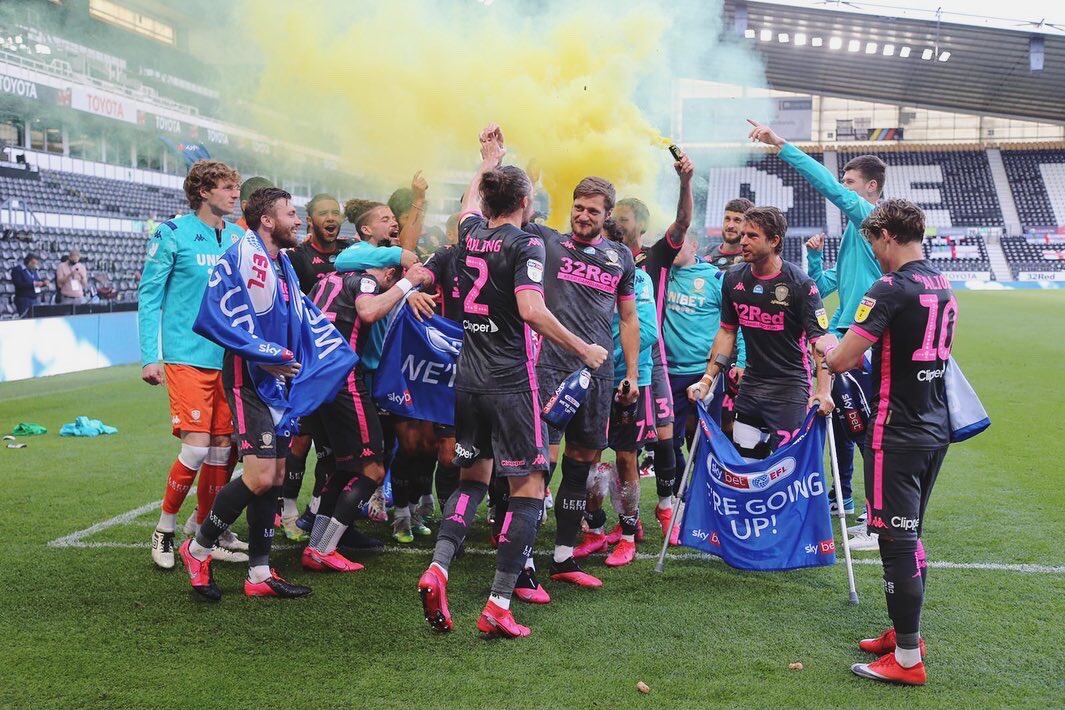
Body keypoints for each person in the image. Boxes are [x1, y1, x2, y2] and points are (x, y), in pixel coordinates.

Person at [417, 125, 607, 639]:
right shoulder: (526, 245)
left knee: (473, 480)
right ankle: (499, 601)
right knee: (529, 487)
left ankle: (438, 567)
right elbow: (531, 309)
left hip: (468, 379)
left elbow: (467, 201)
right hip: (512, 383)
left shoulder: (469, 233)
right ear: (526, 201)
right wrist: (583, 348)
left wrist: (489, 157)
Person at [817, 199, 955, 686]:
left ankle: (908, 660)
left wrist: (823, 343)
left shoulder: (890, 288)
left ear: (888, 236)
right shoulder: (941, 281)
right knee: (909, 533)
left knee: (896, 540)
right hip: (936, 427)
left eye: (873, 242)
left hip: (896, 431)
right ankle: (902, 633)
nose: (873, 252)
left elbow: (845, 359)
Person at [180, 187, 332, 600]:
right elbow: (215, 317)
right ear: (267, 220)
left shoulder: (281, 262)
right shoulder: (240, 258)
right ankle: (196, 549)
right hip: (249, 377)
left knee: (277, 477)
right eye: (290, 213)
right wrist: (266, 354)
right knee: (260, 475)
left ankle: (260, 573)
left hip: (280, 377)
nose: (297, 220)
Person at [747, 118, 884, 544]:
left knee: (863, 427)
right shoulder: (857, 236)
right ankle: (842, 500)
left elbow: (831, 190)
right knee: (842, 424)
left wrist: (782, 146)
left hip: (862, 337)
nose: (844, 187)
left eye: (851, 181)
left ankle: (877, 520)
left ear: (872, 188)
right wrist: (816, 264)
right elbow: (825, 288)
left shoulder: (872, 218)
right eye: (844, 180)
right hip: (844, 333)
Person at [522, 175, 640, 583]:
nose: (583, 216)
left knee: (581, 463)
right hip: (548, 368)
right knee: (537, 466)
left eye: (593, 210)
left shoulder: (621, 257)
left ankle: (563, 558)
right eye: (578, 207)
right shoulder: (545, 241)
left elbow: (628, 318)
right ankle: (522, 562)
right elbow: (501, 215)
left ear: (607, 216)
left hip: (599, 375)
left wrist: (632, 373)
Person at [139, 160, 247, 570]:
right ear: (203, 192)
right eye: (226, 187)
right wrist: (151, 356)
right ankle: (164, 530)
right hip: (186, 357)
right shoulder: (172, 233)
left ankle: (206, 530)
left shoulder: (237, 237)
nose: (235, 194)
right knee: (198, 447)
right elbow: (149, 297)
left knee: (223, 449)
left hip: (228, 359)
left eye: (236, 187)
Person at [301, 253, 434, 571]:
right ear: (389, 273)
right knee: (372, 469)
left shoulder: (326, 281)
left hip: (315, 380)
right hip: (345, 382)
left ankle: (317, 546)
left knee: (338, 468)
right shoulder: (366, 281)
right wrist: (409, 283)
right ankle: (325, 548)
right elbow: (370, 310)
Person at [687, 206, 835, 457]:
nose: (743, 241)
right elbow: (726, 332)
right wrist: (707, 379)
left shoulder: (801, 284)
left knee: (788, 469)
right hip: (752, 388)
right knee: (746, 466)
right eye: (743, 235)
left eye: (752, 236)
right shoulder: (734, 279)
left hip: (790, 389)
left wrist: (823, 391)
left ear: (774, 240)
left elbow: (819, 342)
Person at [611, 150, 694, 540]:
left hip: (653, 359)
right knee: (619, 444)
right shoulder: (603, 254)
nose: (616, 224)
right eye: (614, 219)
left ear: (639, 224)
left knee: (665, 435)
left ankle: (665, 508)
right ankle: (624, 519)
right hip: (613, 357)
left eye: (622, 219)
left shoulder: (656, 256)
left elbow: (682, 222)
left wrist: (685, 182)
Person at [575, 258, 659, 564]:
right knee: (589, 458)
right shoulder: (584, 271)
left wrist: (603, 352)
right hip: (592, 377)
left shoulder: (639, 280)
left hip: (629, 379)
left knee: (626, 458)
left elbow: (648, 330)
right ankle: (594, 532)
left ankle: (626, 538)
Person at [663, 234, 746, 478]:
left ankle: (709, 492)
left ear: (694, 245)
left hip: (705, 372)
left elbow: (735, 324)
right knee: (667, 440)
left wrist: (741, 361)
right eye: (672, 243)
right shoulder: (662, 274)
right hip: (668, 372)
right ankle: (680, 492)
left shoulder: (715, 278)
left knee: (708, 437)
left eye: (681, 242)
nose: (675, 248)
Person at [706, 198, 752, 270]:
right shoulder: (706, 251)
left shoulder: (750, 262)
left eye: (737, 220)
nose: (730, 225)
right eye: (727, 219)